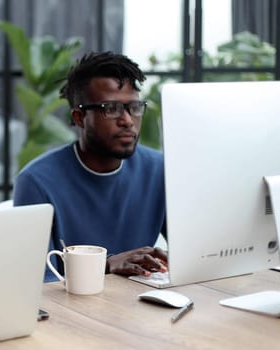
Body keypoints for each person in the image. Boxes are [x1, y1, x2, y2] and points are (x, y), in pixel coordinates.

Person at [13, 51, 167, 282]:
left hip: (141, 302)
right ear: (78, 117)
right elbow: (38, 283)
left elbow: (194, 255)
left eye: (134, 107)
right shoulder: (37, 181)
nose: (127, 120)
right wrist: (105, 265)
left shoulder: (159, 169)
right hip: (74, 311)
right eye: (111, 108)